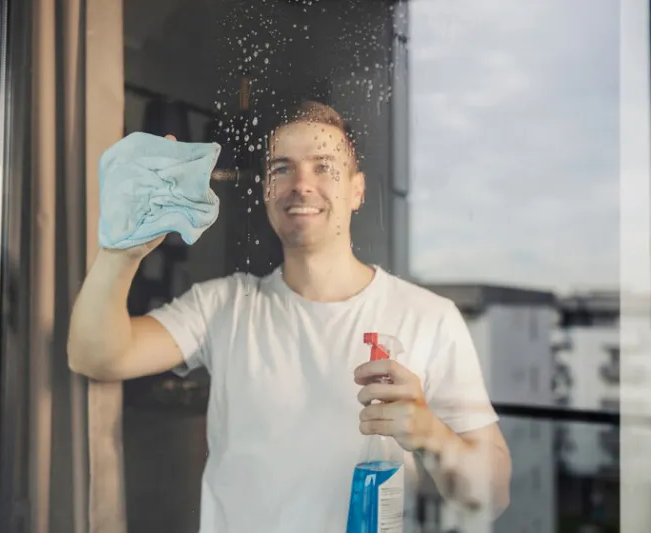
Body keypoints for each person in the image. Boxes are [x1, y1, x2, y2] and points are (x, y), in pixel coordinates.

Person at [68, 101, 511, 532]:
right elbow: (97, 356)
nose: (301, 184)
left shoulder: (430, 317)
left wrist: (431, 433)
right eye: (282, 168)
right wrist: (120, 252)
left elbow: (491, 496)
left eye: (323, 166)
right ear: (265, 191)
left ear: (357, 190)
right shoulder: (224, 305)